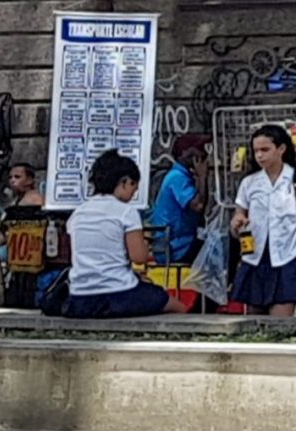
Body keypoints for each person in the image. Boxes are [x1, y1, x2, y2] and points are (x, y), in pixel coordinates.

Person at [62, 150, 187, 319]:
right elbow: (139, 257)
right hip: (117, 294)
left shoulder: (78, 213)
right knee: (177, 306)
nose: (133, 195)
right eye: (133, 187)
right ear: (124, 182)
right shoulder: (126, 212)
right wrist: (144, 244)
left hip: (79, 296)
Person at [230, 125, 296, 317]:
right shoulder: (249, 183)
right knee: (253, 322)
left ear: (281, 149)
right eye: (256, 151)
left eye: (265, 150)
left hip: (288, 255)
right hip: (254, 256)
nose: (260, 156)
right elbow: (237, 222)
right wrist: (237, 224)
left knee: (281, 322)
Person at [150, 134, 210, 266]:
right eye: (198, 149)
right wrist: (202, 176)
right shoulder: (177, 177)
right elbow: (198, 205)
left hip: (182, 242)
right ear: (184, 154)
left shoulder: (182, 175)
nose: (203, 153)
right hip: (174, 247)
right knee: (218, 252)